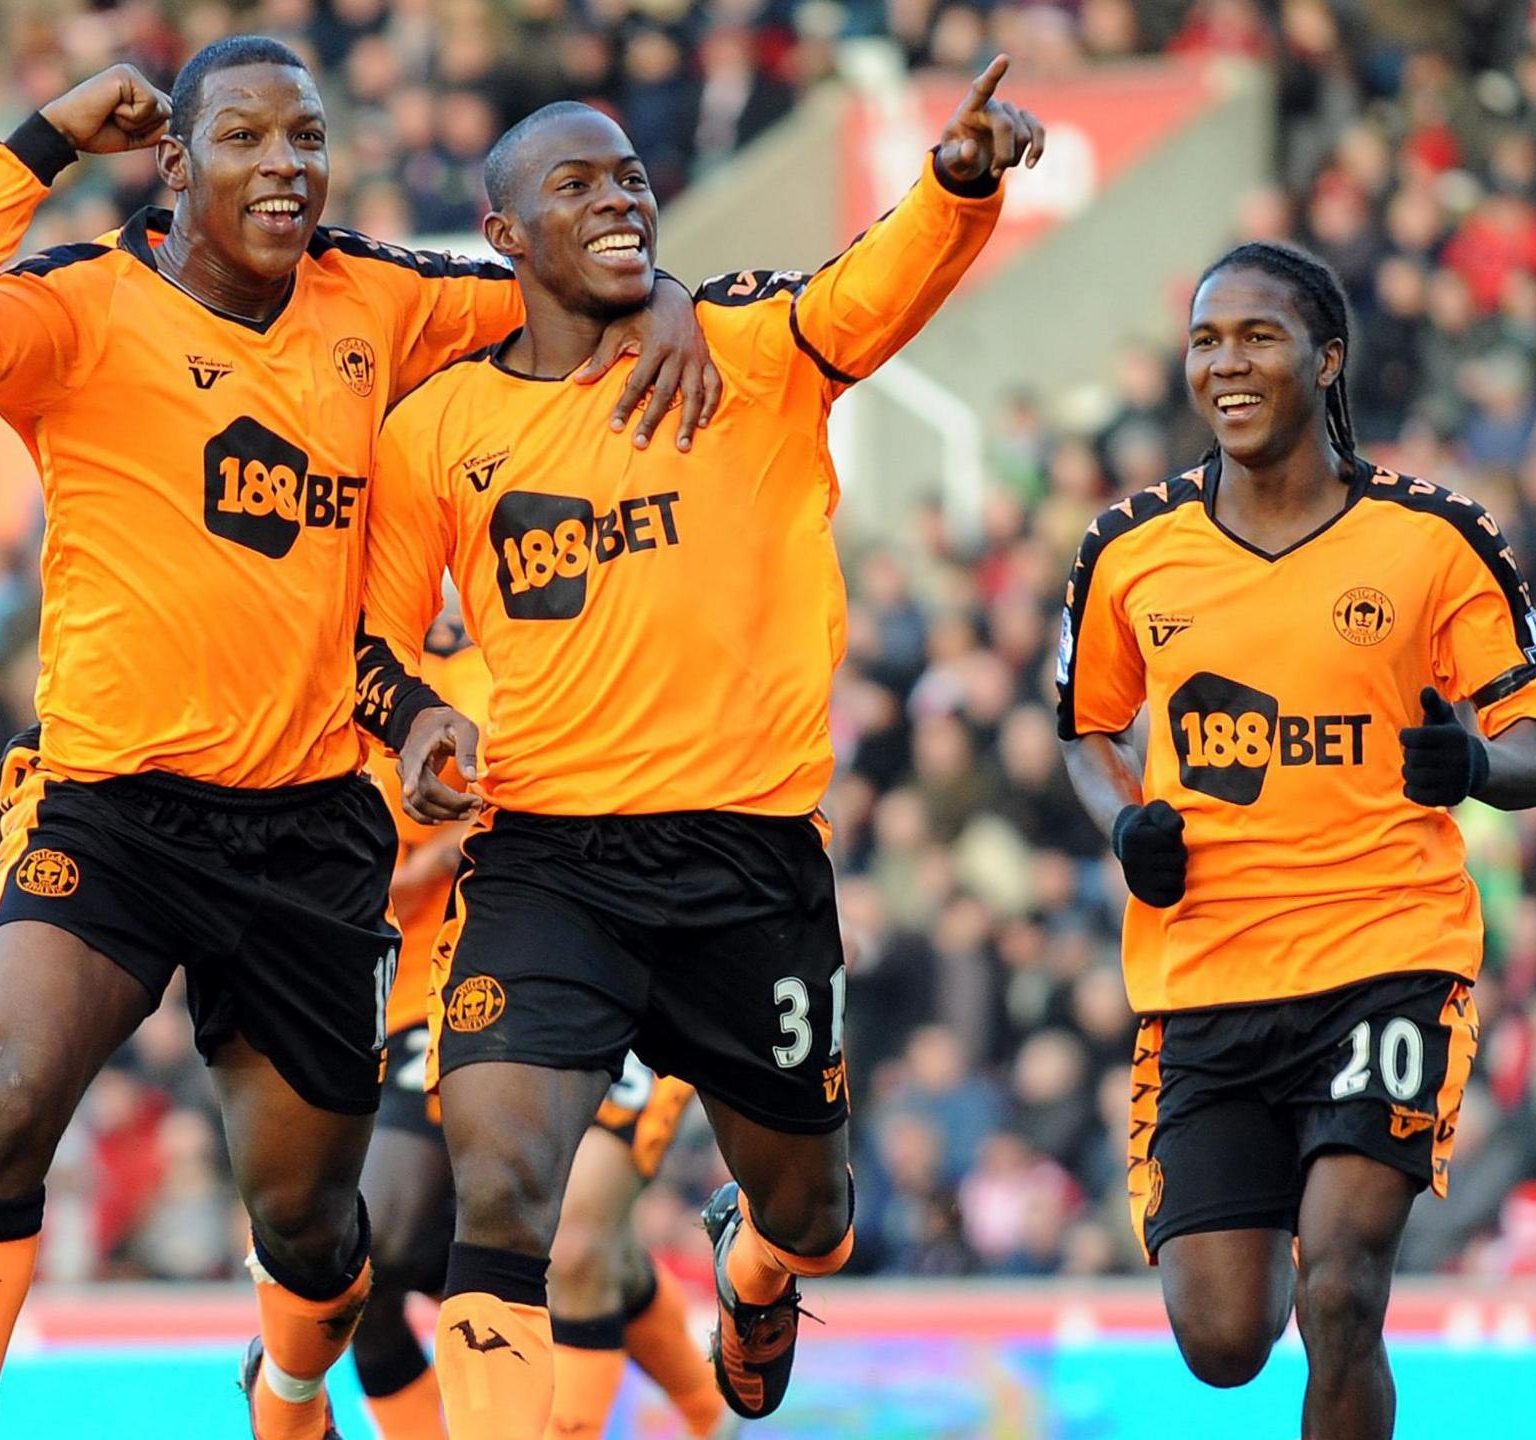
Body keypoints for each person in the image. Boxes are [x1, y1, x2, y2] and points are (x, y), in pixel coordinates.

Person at [0, 41, 714, 1440]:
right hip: (109, 804)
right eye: (246, 138)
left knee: (319, 1235)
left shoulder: (377, 294)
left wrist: (667, 291)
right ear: (176, 162)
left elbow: (562, 272)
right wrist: (43, 142)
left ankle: (292, 1384)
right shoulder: (84, 307)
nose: (286, 166)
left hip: (313, 827)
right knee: (6, 1104)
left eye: (306, 138)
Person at [352, 63, 1042, 1438]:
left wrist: (958, 185)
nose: (620, 198)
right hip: (547, 864)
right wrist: (419, 721)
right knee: (504, 1197)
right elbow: (365, 640)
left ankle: (754, 1260)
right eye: (578, 183)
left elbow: (872, 292)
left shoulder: (748, 349)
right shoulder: (441, 430)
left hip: (750, 859)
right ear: (506, 240)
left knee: (818, 1212)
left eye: (628, 177)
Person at [1054, 241, 1536, 1439]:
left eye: (1256, 337)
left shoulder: (1434, 540)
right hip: (1207, 977)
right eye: (1205, 341)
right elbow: (1084, 731)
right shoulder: (1131, 551)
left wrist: (1478, 765)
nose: (1226, 363)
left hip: (1386, 956)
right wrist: (1126, 821)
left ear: (1325, 358)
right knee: (1224, 1343)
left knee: (1339, 1288)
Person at [352, 641, 724, 1440]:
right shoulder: (359, 657)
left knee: (582, 1232)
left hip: (637, 953)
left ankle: (702, 1412)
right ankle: (708, 1410)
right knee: (381, 1253)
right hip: (441, 988)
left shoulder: (598, 611)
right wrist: (408, 872)